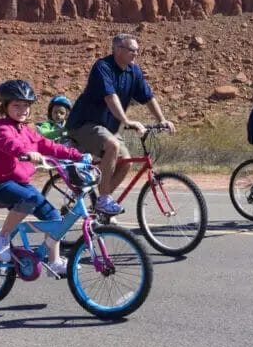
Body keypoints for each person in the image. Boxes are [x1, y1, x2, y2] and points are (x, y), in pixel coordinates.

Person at [0, 80, 89, 276]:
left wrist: (78, 155)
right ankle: (2, 235)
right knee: (29, 198)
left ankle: (55, 261)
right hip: (0, 184)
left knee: (55, 218)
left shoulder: (27, 131)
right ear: (5, 106)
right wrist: (26, 153)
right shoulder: (2, 128)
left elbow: (50, 146)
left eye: (26, 105)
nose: (23, 109)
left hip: (21, 184)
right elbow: (9, 144)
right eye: (17, 105)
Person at [66, 32, 176, 215]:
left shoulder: (134, 71)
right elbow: (110, 97)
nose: (136, 54)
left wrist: (162, 120)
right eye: (132, 50)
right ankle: (103, 200)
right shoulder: (102, 67)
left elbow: (148, 97)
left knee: (126, 162)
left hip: (109, 128)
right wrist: (127, 121)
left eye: (138, 50)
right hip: (85, 123)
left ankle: (103, 200)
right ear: (117, 49)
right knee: (112, 145)